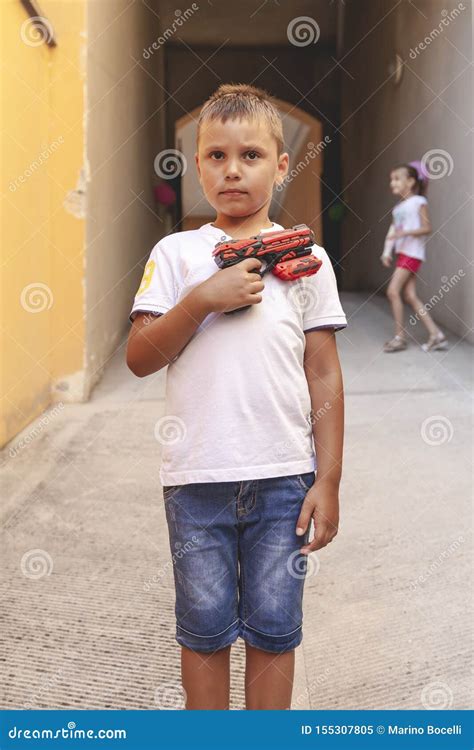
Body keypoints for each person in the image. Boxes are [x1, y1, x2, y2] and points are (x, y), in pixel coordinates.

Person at [126, 83, 348, 710]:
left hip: (284, 480)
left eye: (250, 155)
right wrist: (202, 299)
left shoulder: (308, 261)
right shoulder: (176, 254)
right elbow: (141, 357)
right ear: (197, 164)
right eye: (216, 155)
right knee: (203, 634)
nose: (231, 169)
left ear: (281, 166)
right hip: (197, 480)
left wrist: (326, 479)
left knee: (275, 632)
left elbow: (324, 374)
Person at [380, 162, 448, 353]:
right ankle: (437, 335)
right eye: (391, 180)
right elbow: (393, 231)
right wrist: (386, 252)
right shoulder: (398, 208)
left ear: (410, 181)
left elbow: (427, 227)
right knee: (410, 295)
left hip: (412, 254)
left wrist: (406, 233)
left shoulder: (419, 202)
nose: (392, 183)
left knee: (393, 291)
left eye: (396, 179)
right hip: (404, 254)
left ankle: (399, 337)